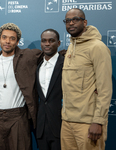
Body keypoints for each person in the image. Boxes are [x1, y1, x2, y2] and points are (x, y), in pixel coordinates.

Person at [61, 8, 112, 150]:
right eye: (67, 20)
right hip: (67, 121)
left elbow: (105, 89)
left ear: (85, 22)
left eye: (75, 19)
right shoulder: (71, 46)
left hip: (88, 122)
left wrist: (98, 121)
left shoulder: (97, 47)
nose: (71, 23)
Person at [0, 23, 42, 150]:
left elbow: (50, 53)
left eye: (12, 38)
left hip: (18, 116)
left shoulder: (28, 56)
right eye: (4, 37)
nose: (7, 41)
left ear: (17, 42)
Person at [36, 29, 63, 150]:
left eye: (51, 41)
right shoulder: (37, 66)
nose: (47, 44)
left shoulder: (67, 63)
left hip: (61, 126)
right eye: (44, 41)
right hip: (41, 127)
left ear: (58, 43)